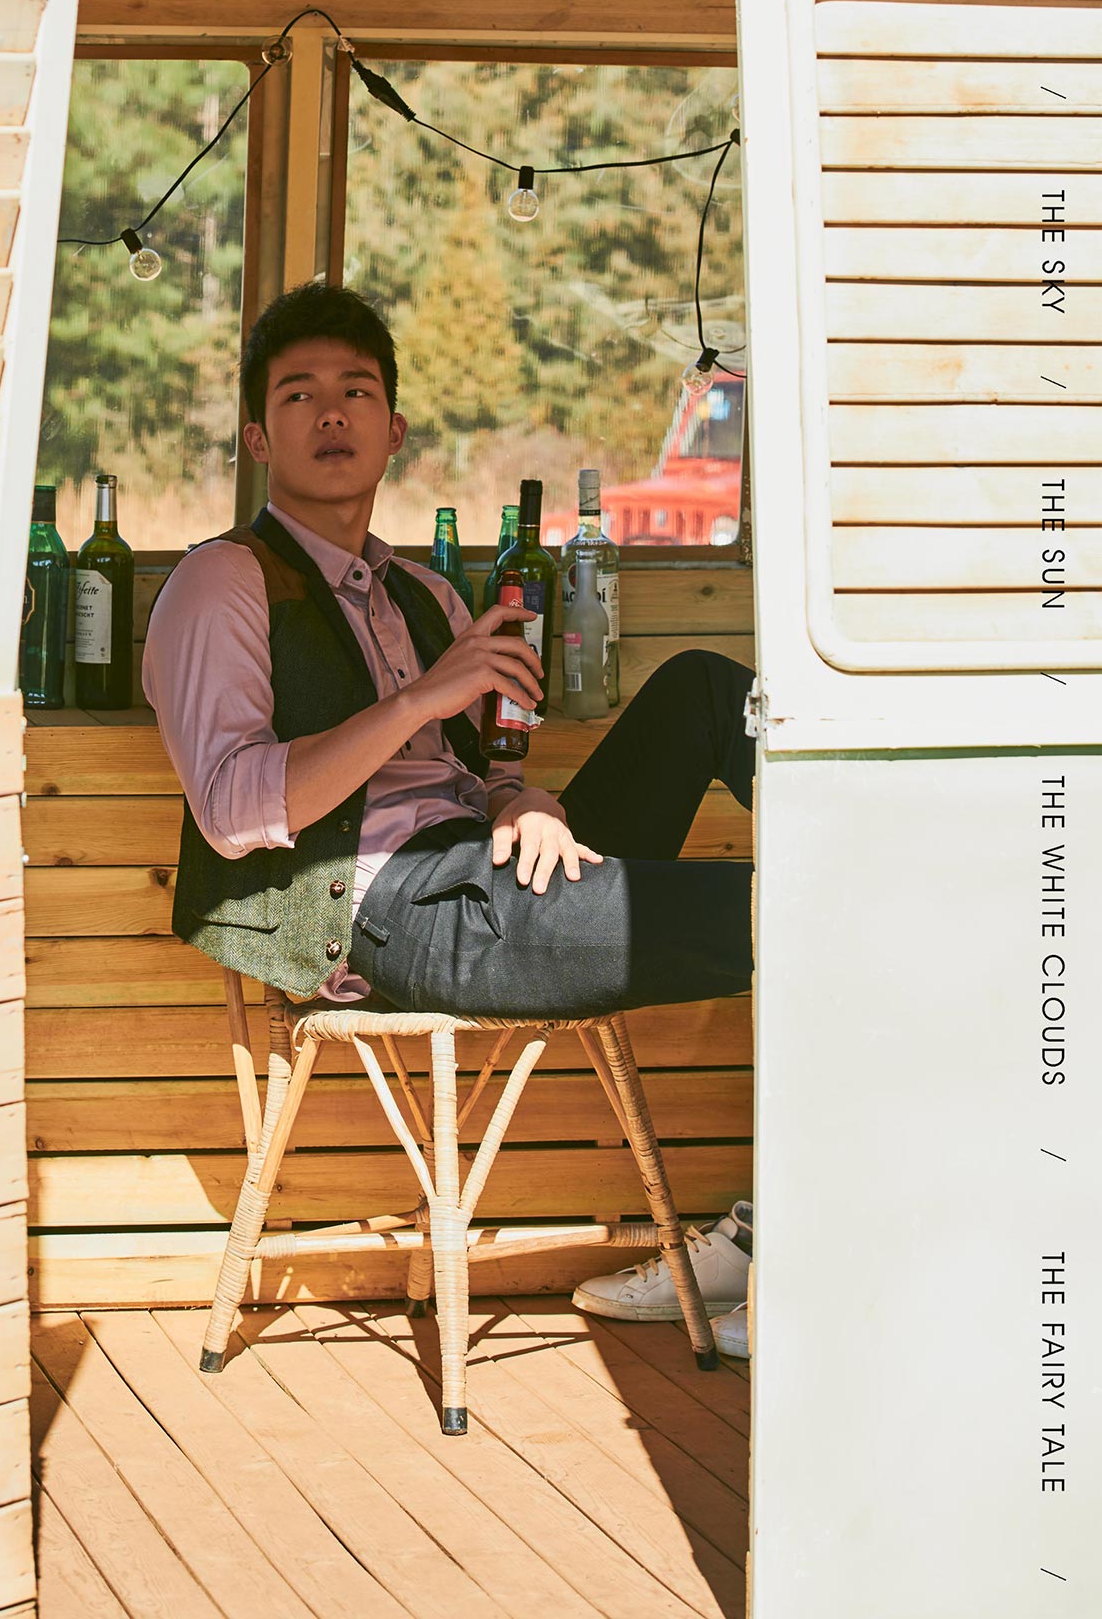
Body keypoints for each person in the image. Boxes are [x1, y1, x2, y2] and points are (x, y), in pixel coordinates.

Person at [142, 280, 756, 1356]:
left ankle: (872, 860)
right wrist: (420, 700)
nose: (330, 413)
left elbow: (480, 772)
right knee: (796, 915)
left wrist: (527, 801)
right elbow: (233, 809)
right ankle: (790, 1237)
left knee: (706, 688)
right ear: (258, 437)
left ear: (394, 430)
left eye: (355, 391)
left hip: (489, 868)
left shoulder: (423, 595)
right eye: (298, 395)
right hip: (383, 909)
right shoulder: (222, 583)